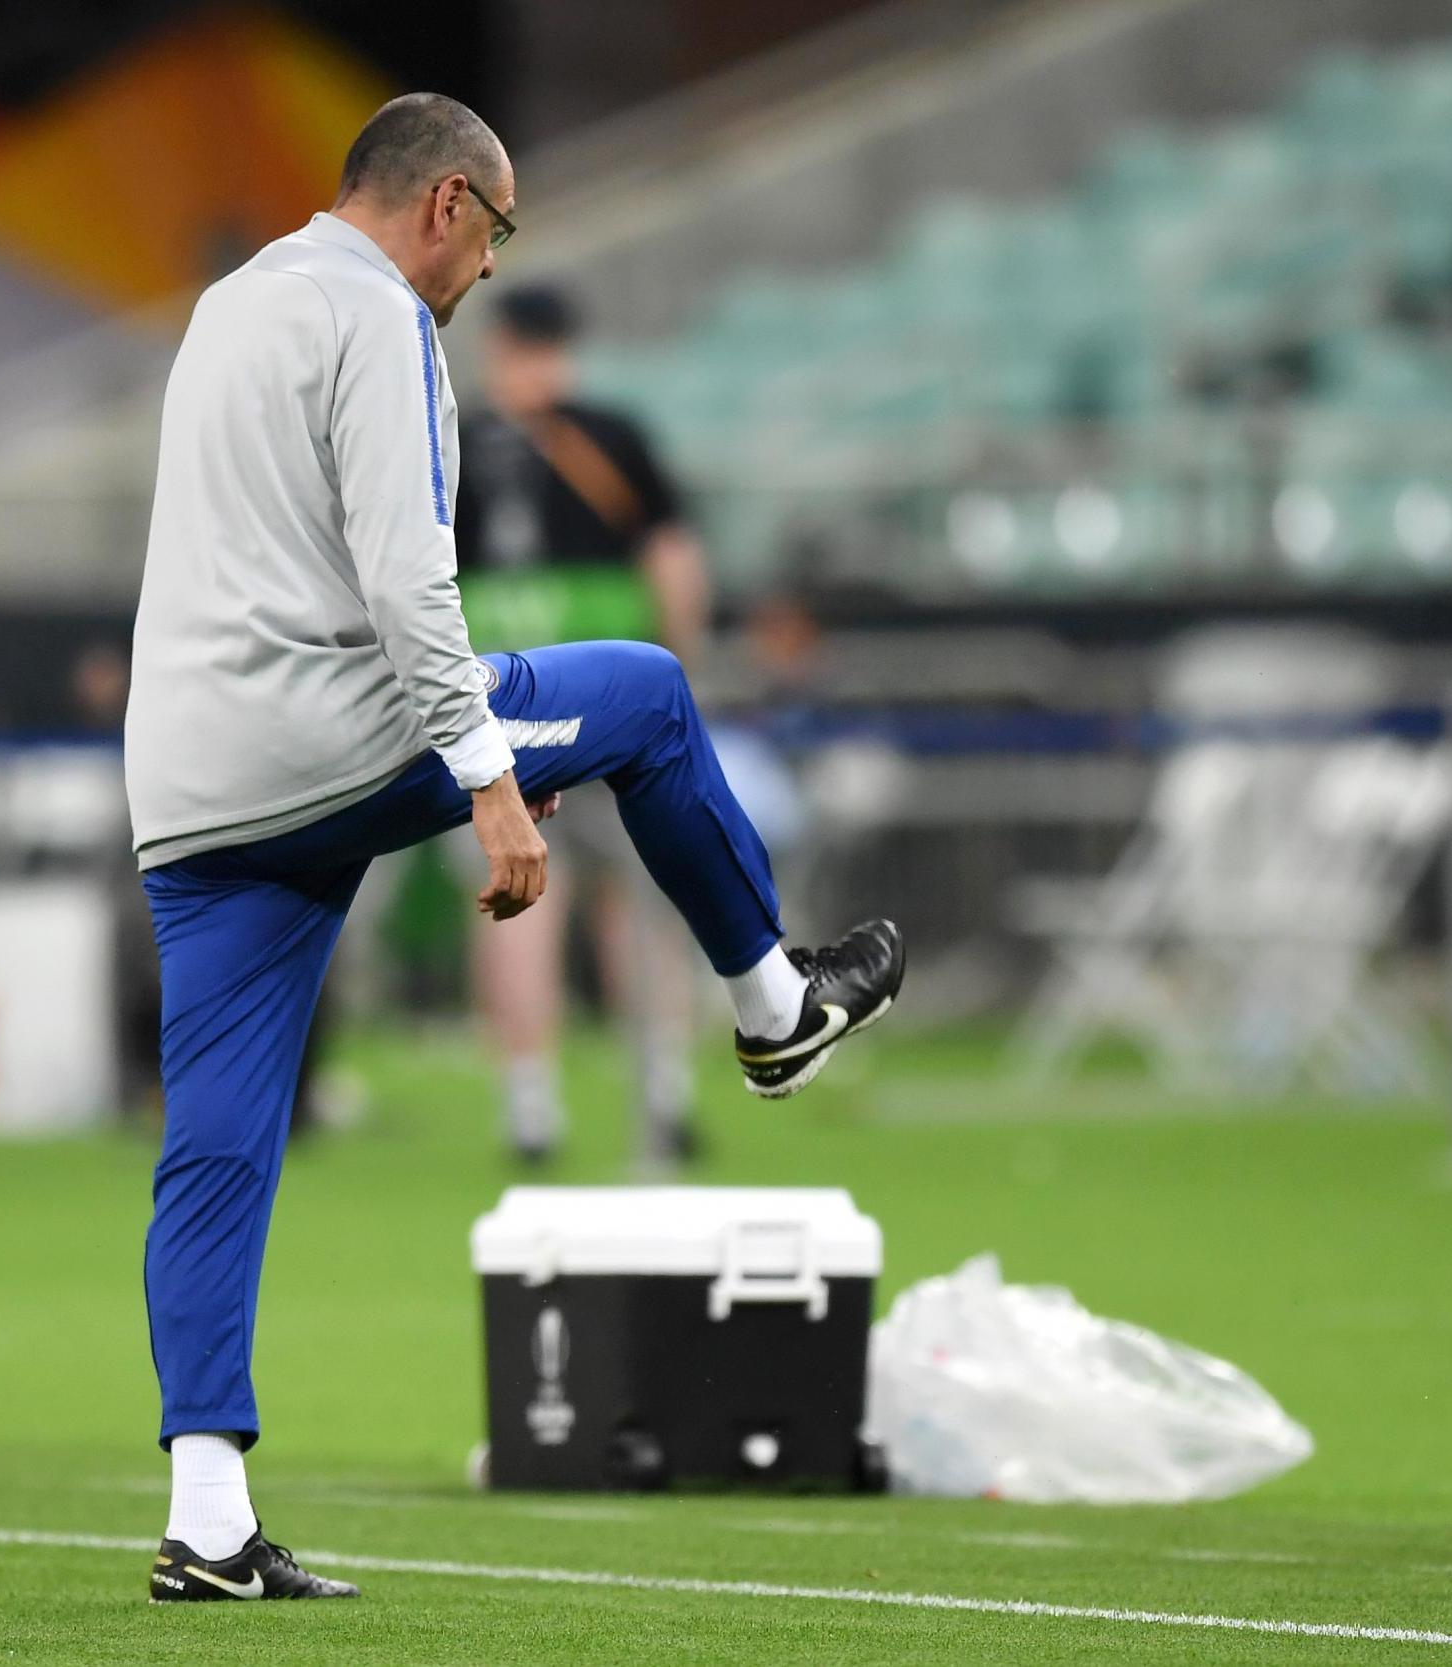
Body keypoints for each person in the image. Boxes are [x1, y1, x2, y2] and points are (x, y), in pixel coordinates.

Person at [123, 92, 904, 1605]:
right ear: (444, 206)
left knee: (211, 1151)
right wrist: (482, 776)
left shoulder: (226, 307)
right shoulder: (384, 324)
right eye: (497, 228)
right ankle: (772, 1007)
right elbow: (411, 573)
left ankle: (206, 1514)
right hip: (338, 738)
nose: (489, 270)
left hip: (191, 784)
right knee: (654, 695)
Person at [454, 283, 710, 1167]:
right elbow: (673, 561)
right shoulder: (611, 437)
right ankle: (664, 1092)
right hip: (607, 702)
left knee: (520, 902)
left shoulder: (451, 441)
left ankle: (532, 1107)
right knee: (634, 900)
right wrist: (681, 677)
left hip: (497, 709)